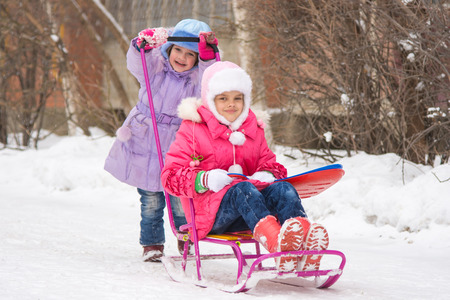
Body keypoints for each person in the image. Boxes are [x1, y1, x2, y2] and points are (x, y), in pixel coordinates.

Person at [161, 61, 330, 272]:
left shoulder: (253, 129)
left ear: (245, 99)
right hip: (211, 216)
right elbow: (170, 177)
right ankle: (279, 248)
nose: (231, 104)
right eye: (223, 98)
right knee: (242, 189)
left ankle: (303, 249)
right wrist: (204, 179)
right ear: (210, 100)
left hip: (254, 215)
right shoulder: (193, 130)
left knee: (283, 188)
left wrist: (268, 173)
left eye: (237, 98)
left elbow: (271, 164)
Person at [104, 19, 218, 262]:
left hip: (179, 142)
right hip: (147, 138)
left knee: (181, 198)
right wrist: (140, 46)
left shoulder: (197, 81)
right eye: (178, 50)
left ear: (197, 59)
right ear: (169, 49)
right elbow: (137, 62)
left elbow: (213, 79)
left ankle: (186, 238)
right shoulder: (155, 69)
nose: (182, 57)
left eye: (190, 54)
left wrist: (210, 57)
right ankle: (152, 244)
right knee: (151, 199)